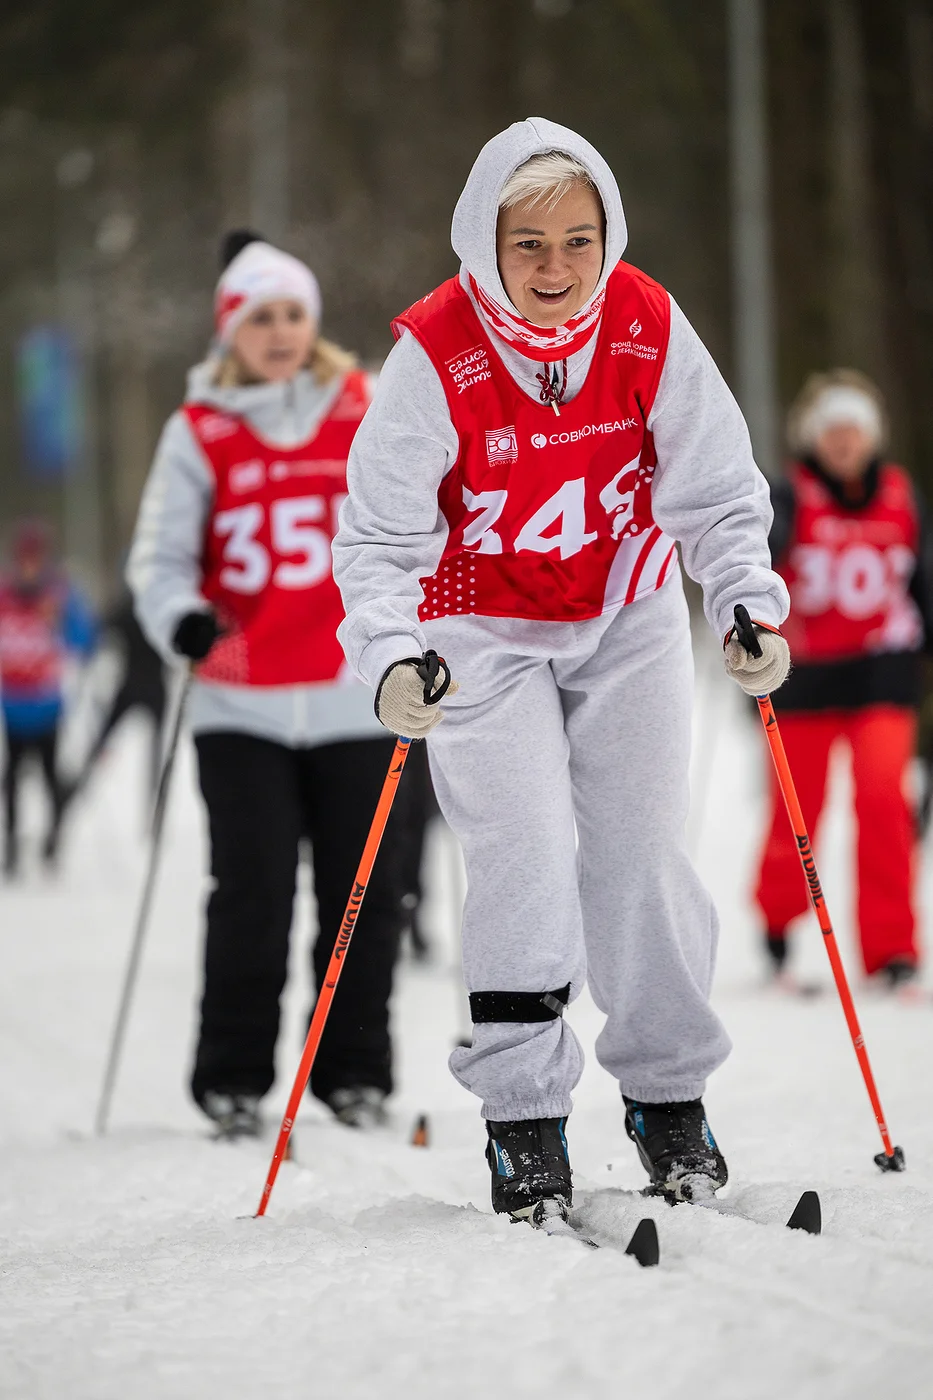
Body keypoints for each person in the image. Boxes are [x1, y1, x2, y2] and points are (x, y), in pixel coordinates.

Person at [333, 118, 791, 1226]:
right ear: (484, 240)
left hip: (623, 614)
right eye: (527, 244)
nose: (555, 268)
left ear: (607, 237)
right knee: (527, 853)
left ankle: (668, 1094)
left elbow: (717, 487)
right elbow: (380, 539)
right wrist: (392, 655)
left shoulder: (645, 322)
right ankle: (524, 1116)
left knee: (640, 850)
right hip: (482, 628)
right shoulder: (434, 352)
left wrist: (743, 600)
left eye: (578, 241)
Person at [128, 231, 408, 1139]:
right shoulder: (198, 427)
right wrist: (180, 616)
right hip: (238, 699)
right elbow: (161, 557)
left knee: (365, 891)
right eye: (259, 318)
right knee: (250, 892)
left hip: (354, 692)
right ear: (229, 331)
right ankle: (233, 1079)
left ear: (313, 322)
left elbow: (418, 518)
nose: (280, 332)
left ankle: (354, 1073)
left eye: (293, 313)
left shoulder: (366, 406)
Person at [756, 370, 932, 991]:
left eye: (853, 430)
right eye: (832, 430)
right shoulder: (791, 493)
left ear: (871, 436)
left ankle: (893, 950)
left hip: (882, 672)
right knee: (797, 812)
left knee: (885, 803)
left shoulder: (900, 494)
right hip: (805, 675)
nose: (843, 442)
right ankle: (778, 923)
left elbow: (920, 574)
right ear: (814, 436)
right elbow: (761, 557)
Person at [0, 519, 95, 875]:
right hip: (11, 706)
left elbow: (83, 641)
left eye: (35, 558)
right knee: (11, 783)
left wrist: (63, 619)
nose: (29, 566)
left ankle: (52, 842)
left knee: (50, 780)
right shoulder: (4, 595)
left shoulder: (59, 595)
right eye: (24, 558)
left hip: (47, 707)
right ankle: (10, 847)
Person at [76, 579, 166, 800]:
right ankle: (77, 787)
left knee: (156, 752)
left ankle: (155, 798)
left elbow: (101, 628)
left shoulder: (151, 609)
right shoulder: (145, 610)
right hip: (135, 687)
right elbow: (99, 630)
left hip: (146, 687)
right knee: (103, 741)